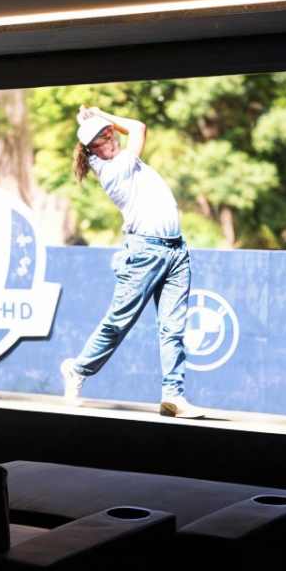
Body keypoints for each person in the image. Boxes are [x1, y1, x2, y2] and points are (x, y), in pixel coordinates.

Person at [60, 105, 212, 419]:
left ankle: (173, 397)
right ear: (92, 150)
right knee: (118, 323)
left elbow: (118, 134)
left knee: (173, 329)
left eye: (109, 134)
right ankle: (77, 370)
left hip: (176, 250)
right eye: (103, 139)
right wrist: (103, 114)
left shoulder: (113, 157)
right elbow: (138, 127)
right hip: (146, 253)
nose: (111, 140)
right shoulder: (116, 167)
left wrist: (91, 120)